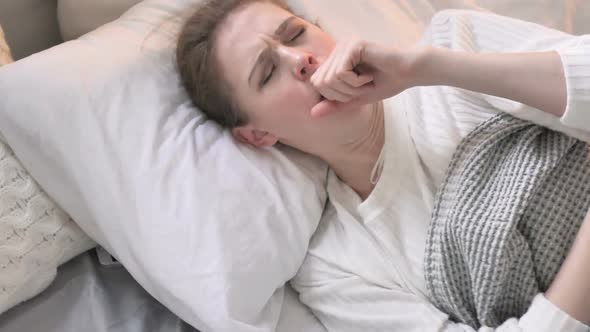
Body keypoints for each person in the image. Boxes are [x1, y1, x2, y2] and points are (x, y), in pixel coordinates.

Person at [176, 0, 590, 331]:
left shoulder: (449, 44)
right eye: (267, 72)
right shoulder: (335, 265)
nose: (299, 58)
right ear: (258, 135)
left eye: (297, 34)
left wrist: (429, 68)